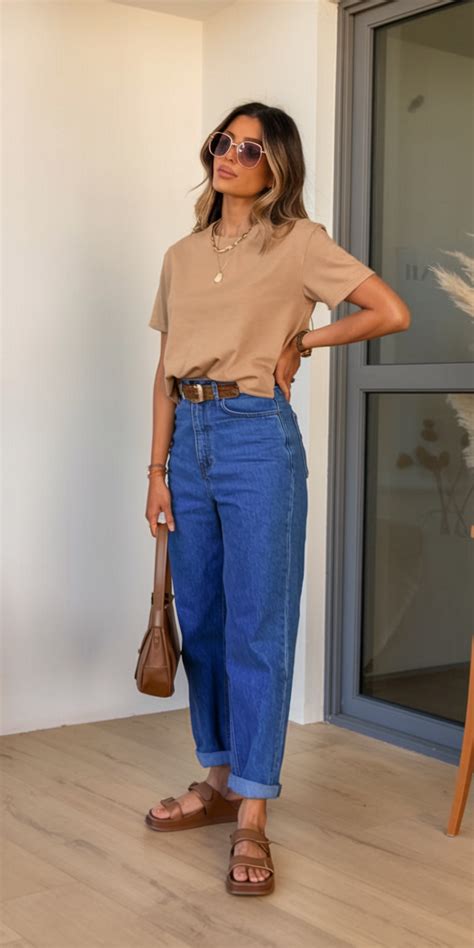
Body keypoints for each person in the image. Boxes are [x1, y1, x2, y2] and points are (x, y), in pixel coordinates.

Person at [144, 101, 410, 896]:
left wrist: (305, 342)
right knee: (203, 621)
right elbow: (164, 369)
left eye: (250, 148)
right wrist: (155, 471)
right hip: (188, 439)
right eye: (222, 141)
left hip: (257, 437)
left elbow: (390, 311)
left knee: (258, 624)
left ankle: (254, 809)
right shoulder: (181, 255)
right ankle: (220, 779)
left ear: (277, 167)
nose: (229, 155)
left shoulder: (301, 243)